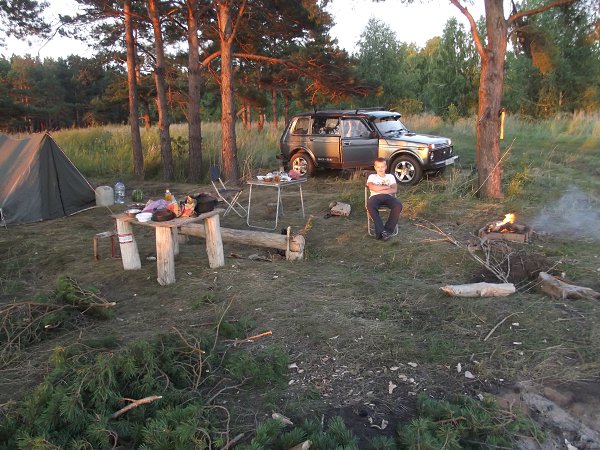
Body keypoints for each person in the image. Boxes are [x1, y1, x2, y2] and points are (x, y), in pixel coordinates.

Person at [366, 157, 403, 241]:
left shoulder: (390, 177)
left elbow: (394, 189)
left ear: (386, 167)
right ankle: (381, 231)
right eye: (378, 167)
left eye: (382, 166)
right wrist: (387, 187)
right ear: (375, 167)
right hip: (375, 197)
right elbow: (372, 187)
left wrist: (378, 188)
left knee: (398, 205)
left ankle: (387, 231)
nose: (380, 169)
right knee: (370, 205)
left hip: (388, 197)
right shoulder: (372, 176)